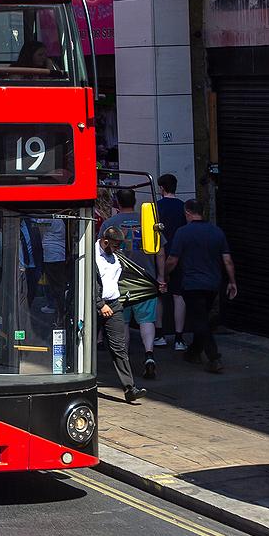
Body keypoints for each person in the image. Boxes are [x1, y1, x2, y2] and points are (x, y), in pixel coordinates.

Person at [167, 199, 236, 374]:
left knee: (199, 321)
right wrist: (232, 281)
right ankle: (193, 352)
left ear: (188, 213)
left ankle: (214, 357)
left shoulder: (183, 232)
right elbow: (227, 260)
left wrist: (164, 275)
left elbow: (172, 260)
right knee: (202, 319)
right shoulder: (217, 231)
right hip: (213, 284)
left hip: (192, 283)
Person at [106, 189, 164, 380]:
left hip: (119, 281)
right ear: (135, 200)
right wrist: (161, 277)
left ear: (117, 202)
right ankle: (149, 355)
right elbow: (160, 252)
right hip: (146, 279)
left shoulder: (109, 224)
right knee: (147, 320)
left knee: (122, 322)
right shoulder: (149, 223)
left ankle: (125, 362)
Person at [97, 225, 144, 403]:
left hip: (114, 304)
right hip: (97, 305)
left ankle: (129, 387)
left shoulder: (115, 256)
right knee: (85, 345)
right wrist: (100, 304)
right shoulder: (92, 255)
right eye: (116, 246)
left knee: (119, 345)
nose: (118, 250)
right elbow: (88, 282)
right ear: (106, 241)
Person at [155, 173, 190, 351]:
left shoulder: (156, 208)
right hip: (179, 255)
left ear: (161, 188)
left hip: (160, 254)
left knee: (159, 294)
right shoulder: (184, 208)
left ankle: (160, 334)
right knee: (178, 295)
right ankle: (179, 337)